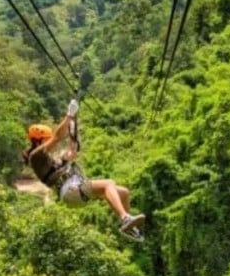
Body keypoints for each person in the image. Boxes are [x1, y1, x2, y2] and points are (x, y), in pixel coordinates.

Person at [22, 99, 145, 241]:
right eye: (45, 140)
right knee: (108, 183)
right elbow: (57, 137)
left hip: (74, 190)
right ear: (38, 141)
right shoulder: (35, 156)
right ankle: (125, 219)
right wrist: (69, 115)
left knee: (124, 193)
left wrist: (74, 140)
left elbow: (70, 154)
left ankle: (128, 227)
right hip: (71, 191)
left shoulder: (51, 162)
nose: (48, 142)